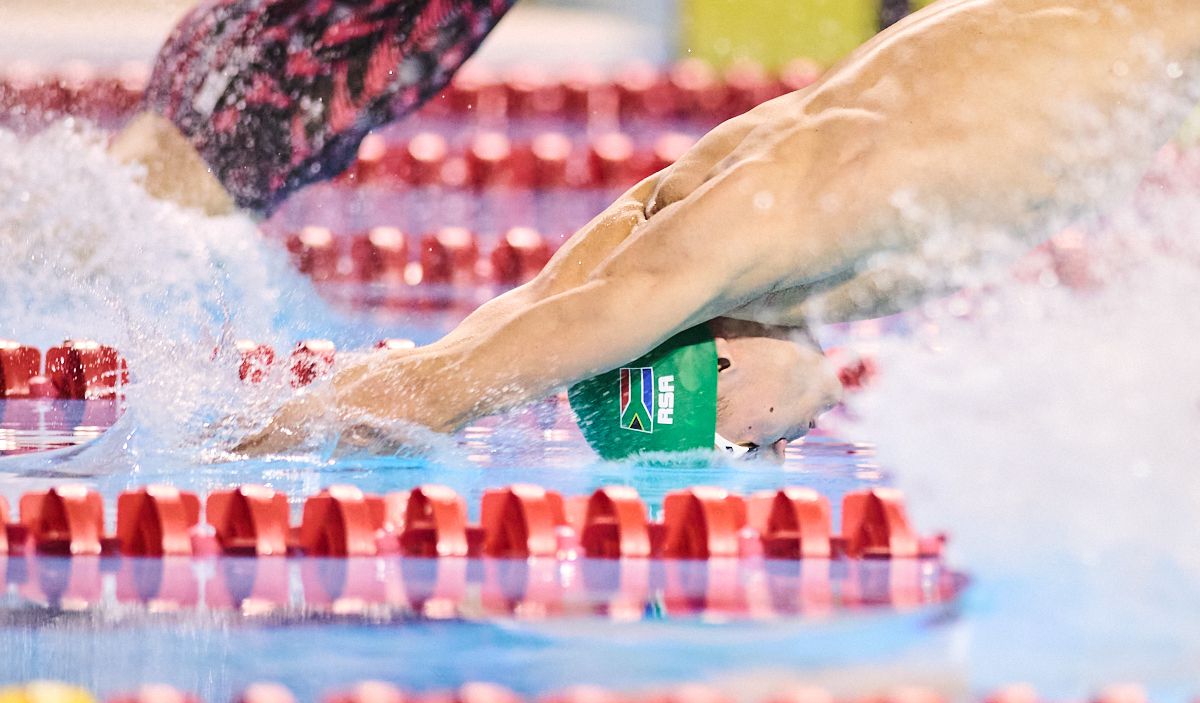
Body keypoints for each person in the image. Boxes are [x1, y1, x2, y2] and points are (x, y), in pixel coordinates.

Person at [116, 0, 1200, 460]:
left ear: (712, 351)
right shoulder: (743, 189)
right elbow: (544, 298)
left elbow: (438, 384)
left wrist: (232, 454)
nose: (774, 449)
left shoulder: (764, 220)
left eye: (734, 435)